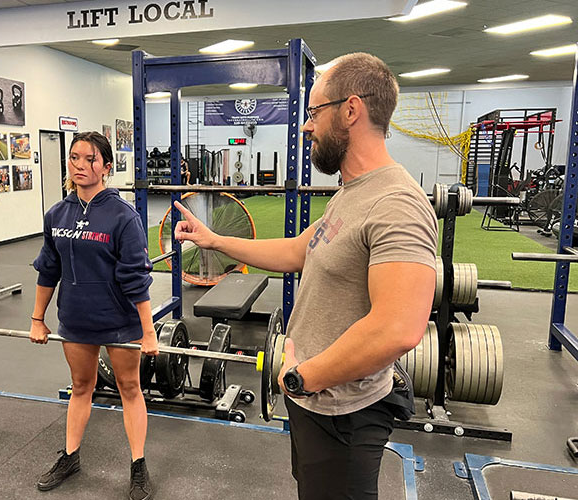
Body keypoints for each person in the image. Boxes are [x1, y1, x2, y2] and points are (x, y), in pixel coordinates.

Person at [173, 53, 437, 500]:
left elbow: (399, 328)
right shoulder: (353, 193)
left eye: (314, 112)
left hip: (344, 411)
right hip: (316, 402)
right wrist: (215, 240)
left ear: (351, 110)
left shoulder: (396, 203)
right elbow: (299, 251)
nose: (306, 126)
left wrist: (302, 377)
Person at [30, 131, 158, 500]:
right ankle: (70, 457)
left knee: (129, 389)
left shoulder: (123, 216)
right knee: (81, 387)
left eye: (89, 159)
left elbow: (136, 278)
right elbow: (47, 269)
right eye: (74, 158)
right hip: (75, 319)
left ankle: (138, 466)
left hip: (120, 321)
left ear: (106, 166)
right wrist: (38, 319)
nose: (81, 166)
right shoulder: (57, 214)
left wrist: (148, 332)